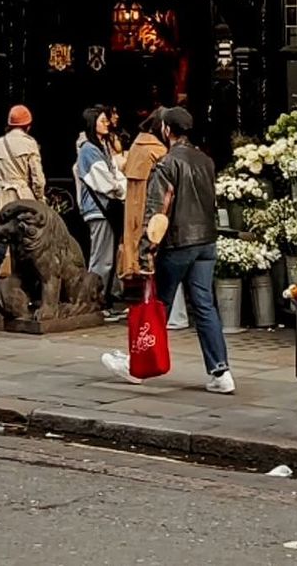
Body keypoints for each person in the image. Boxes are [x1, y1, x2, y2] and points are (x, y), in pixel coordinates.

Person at [104, 106, 233, 394]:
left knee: (154, 305)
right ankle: (220, 371)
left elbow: (157, 211)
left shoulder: (167, 164)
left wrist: (145, 252)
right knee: (204, 305)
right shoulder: (206, 161)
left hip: (177, 242)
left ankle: (138, 364)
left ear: (166, 130)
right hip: (206, 241)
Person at [0, 105, 46, 313]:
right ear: (28, 126)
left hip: (1, 198)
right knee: (27, 250)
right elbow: (37, 178)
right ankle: (32, 296)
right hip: (22, 198)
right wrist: (40, 200)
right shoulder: (30, 145)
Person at [75, 106, 126, 312]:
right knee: (101, 258)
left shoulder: (100, 147)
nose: (106, 123)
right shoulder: (89, 150)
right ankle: (93, 301)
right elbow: (106, 182)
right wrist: (122, 189)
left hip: (103, 208)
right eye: (102, 119)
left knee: (106, 256)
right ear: (92, 122)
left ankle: (103, 298)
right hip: (99, 209)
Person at [118, 114, 167, 283]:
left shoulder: (136, 146)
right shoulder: (158, 149)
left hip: (132, 204)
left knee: (132, 240)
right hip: (151, 204)